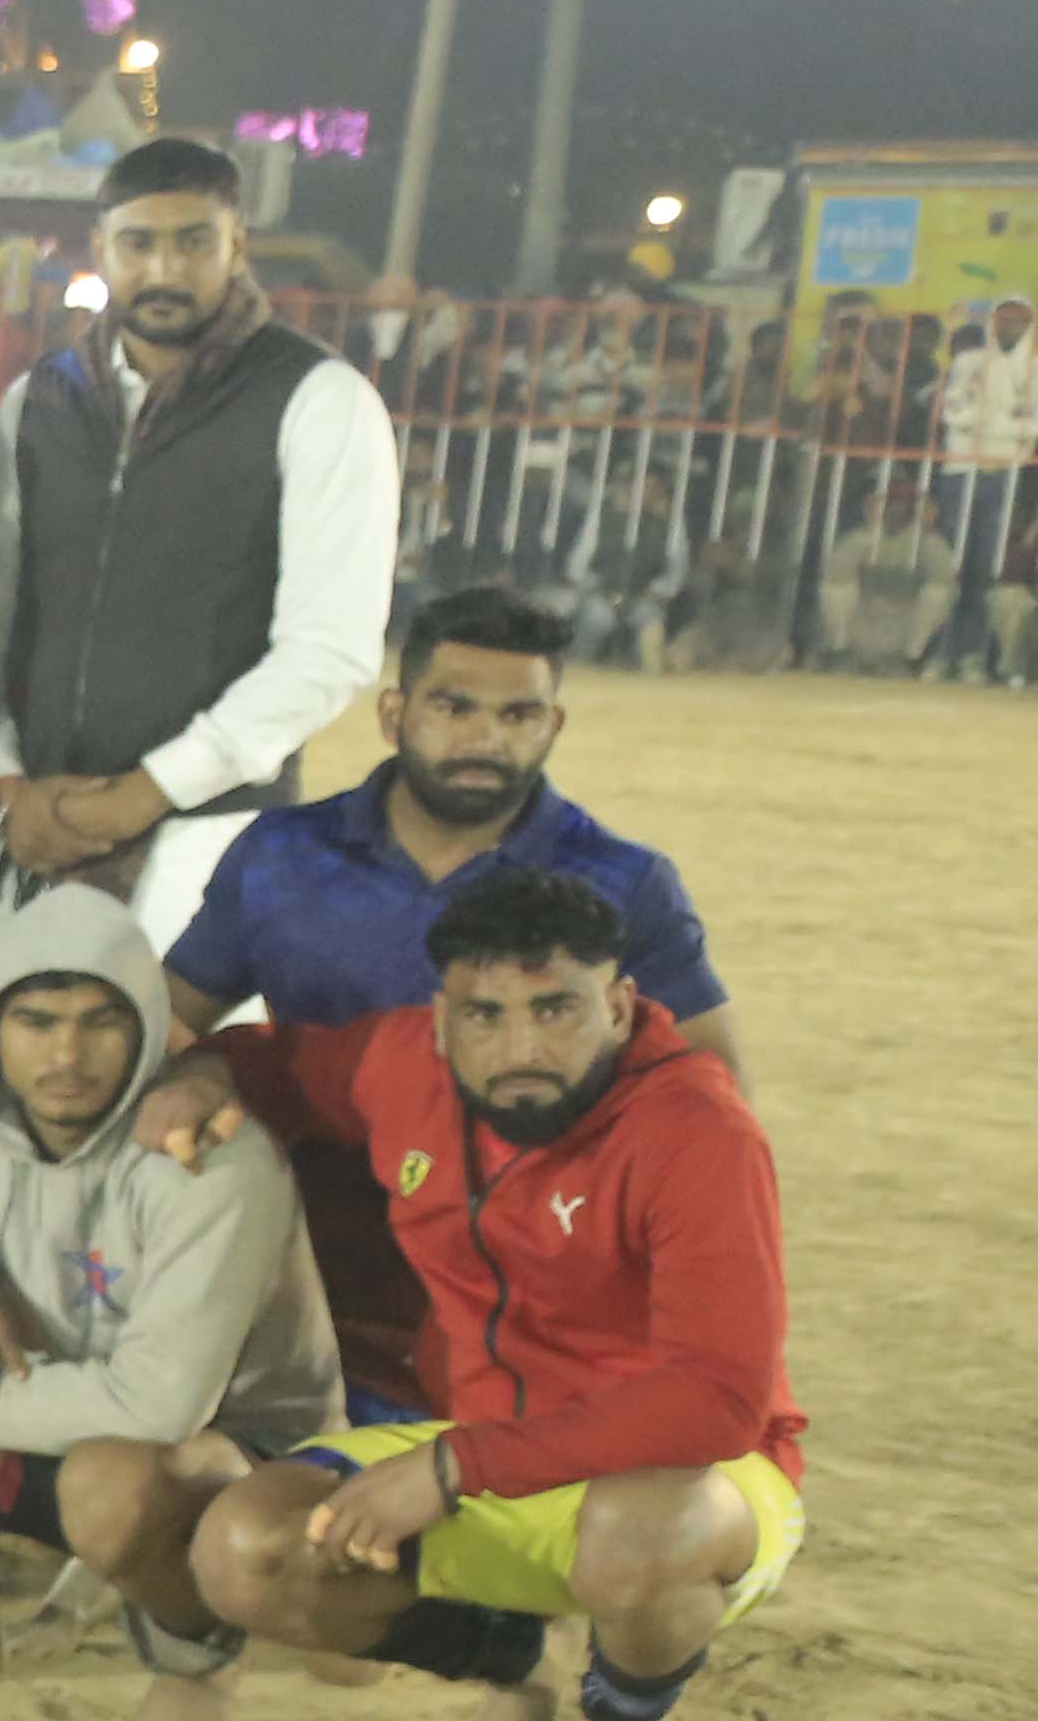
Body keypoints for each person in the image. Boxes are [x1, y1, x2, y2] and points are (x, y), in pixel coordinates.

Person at [165, 870, 799, 1721]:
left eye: (556, 1010)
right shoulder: (401, 1065)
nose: (520, 1048)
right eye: (484, 1015)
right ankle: (521, 1663)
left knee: (633, 1529)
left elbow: (717, 1400)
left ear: (619, 1007)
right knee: (245, 1548)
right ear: (440, 1020)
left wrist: (455, 1465)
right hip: (490, 1457)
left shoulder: (697, 1130)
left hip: (696, 1479)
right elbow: (278, 1059)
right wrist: (205, 1076)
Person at [159, 580, 737, 1412]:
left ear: (554, 725)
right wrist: (200, 1084)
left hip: (523, 1281)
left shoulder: (624, 882)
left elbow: (708, 1091)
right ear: (394, 714)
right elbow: (166, 1022)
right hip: (303, 1257)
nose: (485, 738)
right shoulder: (282, 855)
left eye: (517, 715)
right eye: (454, 707)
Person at [0, 889, 338, 1721]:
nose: (67, 1055)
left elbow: (160, 1406)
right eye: (37, 1022)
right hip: (61, 1396)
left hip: (238, 1453)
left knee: (114, 1481)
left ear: (147, 1031)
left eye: (102, 1022)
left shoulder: (210, 1162)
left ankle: (196, 1657)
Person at [0, 131, 401, 1029]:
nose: (164, 268)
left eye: (193, 241)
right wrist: (5, 786)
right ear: (100, 250)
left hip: (213, 843)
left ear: (238, 246)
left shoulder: (319, 399)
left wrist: (146, 792)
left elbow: (329, 651)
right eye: (139, 243)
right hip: (36, 836)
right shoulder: (38, 403)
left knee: (182, 1095)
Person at [931, 295, 1033, 680]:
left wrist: (985, 419)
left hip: (1004, 473)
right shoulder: (969, 361)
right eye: (1005, 318)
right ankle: (940, 653)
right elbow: (952, 413)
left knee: (986, 569)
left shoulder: (1034, 369)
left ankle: (972, 655)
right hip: (962, 469)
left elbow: (1034, 425)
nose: (1011, 326)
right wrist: (1006, 420)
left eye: (1020, 320)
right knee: (950, 566)